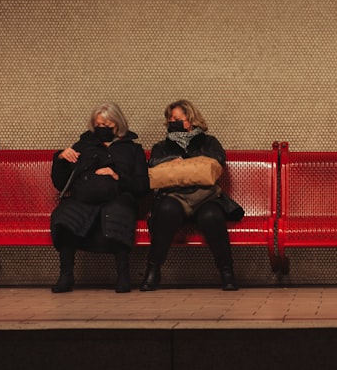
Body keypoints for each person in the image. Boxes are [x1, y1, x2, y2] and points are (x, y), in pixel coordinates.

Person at [50, 102, 150, 293]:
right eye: (99, 126)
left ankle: (123, 275)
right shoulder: (82, 146)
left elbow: (142, 186)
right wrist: (61, 159)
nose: (102, 129)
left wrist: (117, 177)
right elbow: (61, 183)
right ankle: (66, 276)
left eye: (107, 125)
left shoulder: (132, 149)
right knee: (64, 216)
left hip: (118, 197)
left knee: (117, 215)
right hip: (84, 198)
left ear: (118, 124)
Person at [141, 99, 239, 291]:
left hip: (205, 196)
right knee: (167, 210)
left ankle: (227, 272)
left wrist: (181, 162)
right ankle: (153, 270)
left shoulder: (209, 142)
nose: (173, 121)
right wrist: (192, 165)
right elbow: (154, 165)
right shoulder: (162, 146)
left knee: (212, 216)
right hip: (174, 197)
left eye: (178, 118)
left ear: (191, 120)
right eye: (170, 119)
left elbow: (218, 161)